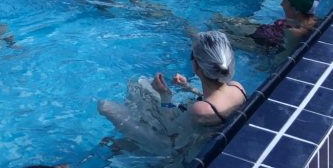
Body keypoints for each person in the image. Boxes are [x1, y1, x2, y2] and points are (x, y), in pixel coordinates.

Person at [97, 31, 246, 158]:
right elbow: (215, 98)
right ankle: (131, 139)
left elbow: (171, 130)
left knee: (105, 107)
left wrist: (165, 95)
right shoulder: (237, 88)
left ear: (196, 65)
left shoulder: (201, 110)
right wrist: (188, 87)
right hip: (194, 129)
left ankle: (132, 144)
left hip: (173, 147)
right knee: (139, 86)